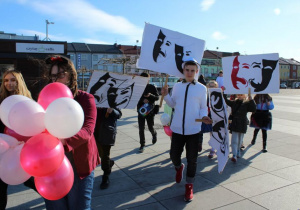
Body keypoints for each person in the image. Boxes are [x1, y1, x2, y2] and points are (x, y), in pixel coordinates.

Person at [43, 55, 100, 210]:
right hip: (53, 164)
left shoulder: (85, 99)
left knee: (79, 207)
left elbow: (88, 131)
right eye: (53, 76)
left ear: (70, 76)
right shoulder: (46, 99)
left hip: (79, 164)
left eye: (60, 75)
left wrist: (64, 140)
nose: (56, 79)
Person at [161, 58, 212, 202]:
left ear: (196, 72)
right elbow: (172, 104)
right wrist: (165, 95)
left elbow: (203, 107)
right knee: (174, 155)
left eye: (192, 70)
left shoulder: (202, 88)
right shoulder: (177, 86)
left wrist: (204, 117)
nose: (189, 73)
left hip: (194, 130)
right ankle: (178, 167)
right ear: (183, 71)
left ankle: (189, 185)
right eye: (187, 70)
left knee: (192, 159)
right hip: (177, 128)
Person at [0, 69, 33, 210]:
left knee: (33, 181)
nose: (9, 83)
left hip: (24, 149)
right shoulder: (0, 101)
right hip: (4, 149)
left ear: (19, 82)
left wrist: (24, 140)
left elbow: (33, 126)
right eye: (6, 80)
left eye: (13, 80)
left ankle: (57, 203)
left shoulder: (27, 102)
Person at [223, 92, 256, 162]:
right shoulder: (234, 102)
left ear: (245, 95)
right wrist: (223, 92)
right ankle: (234, 154)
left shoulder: (247, 103)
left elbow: (253, 109)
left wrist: (251, 100)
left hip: (242, 122)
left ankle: (238, 151)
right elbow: (226, 101)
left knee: (240, 139)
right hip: (235, 122)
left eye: (241, 95)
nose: (239, 96)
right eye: (238, 95)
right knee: (234, 140)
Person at [94, 107, 122, 189]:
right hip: (94, 131)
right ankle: (109, 163)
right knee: (100, 154)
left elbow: (119, 114)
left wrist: (113, 111)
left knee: (105, 155)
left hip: (106, 131)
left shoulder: (112, 99)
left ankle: (106, 175)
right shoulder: (94, 97)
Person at [137, 72, 159, 153]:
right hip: (140, 111)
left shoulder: (152, 87)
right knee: (141, 128)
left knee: (150, 127)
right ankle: (142, 144)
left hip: (150, 111)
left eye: (145, 79)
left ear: (148, 79)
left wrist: (150, 96)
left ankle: (154, 134)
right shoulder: (138, 87)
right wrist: (142, 100)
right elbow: (135, 99)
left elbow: (157, 98)